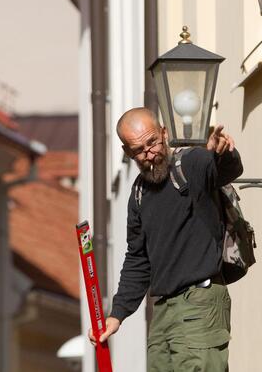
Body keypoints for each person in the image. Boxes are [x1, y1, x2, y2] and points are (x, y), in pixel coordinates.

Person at [88, 107, 243, 371]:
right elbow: (137, 259)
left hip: (200, 302)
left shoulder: (191, 164)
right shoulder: (138, 195)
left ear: (164, 133)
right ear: (128, 153)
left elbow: (224, 169)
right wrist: (118, 314)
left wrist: (222, 152)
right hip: (163, 312)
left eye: (153, 142)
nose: (149, 153)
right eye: (139, 149)